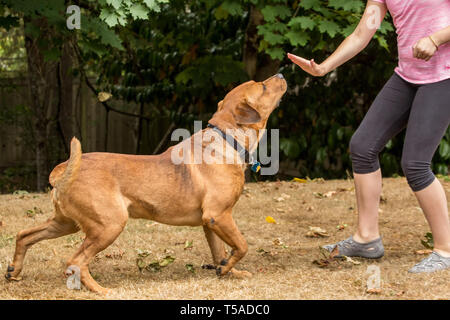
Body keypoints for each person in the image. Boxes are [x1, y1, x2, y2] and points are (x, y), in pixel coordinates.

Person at [288, 0, 450, 273]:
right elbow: (363, 33)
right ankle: (367, 238)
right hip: (407, 76)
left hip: (443, 77)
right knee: (363, 146)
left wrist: (435, 39)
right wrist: (323, 68)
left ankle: (445, 250)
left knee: (415, 164)